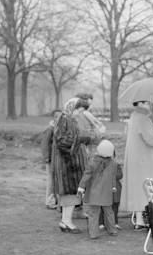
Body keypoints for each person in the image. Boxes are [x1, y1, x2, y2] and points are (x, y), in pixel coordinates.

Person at [52, 97, 96, 233]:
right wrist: (81, 139)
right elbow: (61, 141)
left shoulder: (69, 119)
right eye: (79, 110)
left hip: (71, 164)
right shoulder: (65, 119)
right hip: (68, 165)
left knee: (70, 194)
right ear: (73, 107)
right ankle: (66, 222)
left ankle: (65, 222)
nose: (79, 113)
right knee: (70, 194)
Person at [119, 100, 153, 229]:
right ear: (139, 104)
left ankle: (139, 220)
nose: (148, 105)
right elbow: (151, 139)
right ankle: (149, 219)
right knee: (148, 187)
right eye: (145, 102)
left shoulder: (134, 116)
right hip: (145, 160)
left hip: (137, 158)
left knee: (139, 188)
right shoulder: (143, 118)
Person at [77, 140, 121, 239]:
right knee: (109, 212)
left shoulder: (92, 162)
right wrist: (113, 187)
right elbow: (113, 177)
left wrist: (81, 187)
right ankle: (112, 230)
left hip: (94, 194)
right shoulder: (113, 164)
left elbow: (86, 176)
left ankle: (93, 233)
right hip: (107, 193)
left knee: (93, 213)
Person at [41, 109, 62, 209]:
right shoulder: (50, 129)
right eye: (57, 116)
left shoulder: (58, 128)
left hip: (56, 159)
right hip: (50, 159)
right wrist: (46, 157)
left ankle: (55, 200)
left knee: (55, 180)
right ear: (54, 118)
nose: (60, 118)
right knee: (51, 180)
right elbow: (44, 144)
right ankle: (49, 201)